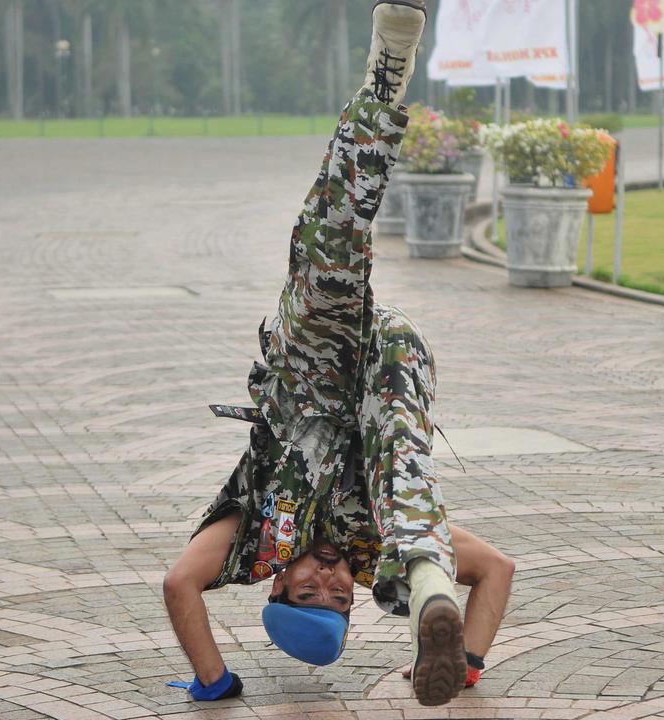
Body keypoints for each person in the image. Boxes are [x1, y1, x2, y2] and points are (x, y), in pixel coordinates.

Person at [161, 0, 514, 708]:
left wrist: (214, 682)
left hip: (311, 373)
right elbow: (498, 569)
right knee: (403, 482)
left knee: (331, 249)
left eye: (308, 593)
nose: (327, 581)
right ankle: (427, 586)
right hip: (390, 362)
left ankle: (385, 81)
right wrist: (469, 664)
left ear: (277, 585)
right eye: (339, 599)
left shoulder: (253, 541)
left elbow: (179, 584)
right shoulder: (371, 556)